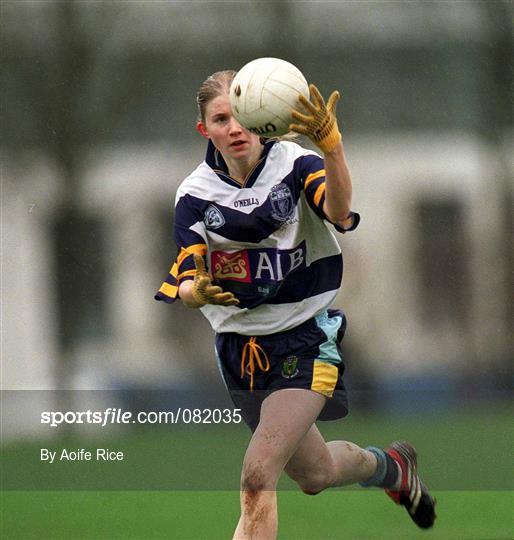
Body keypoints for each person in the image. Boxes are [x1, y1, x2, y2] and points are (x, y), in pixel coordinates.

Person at [155, 69, 436, 539]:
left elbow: (340, 213)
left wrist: (332, 149)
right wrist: (194, 292)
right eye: (221, 119)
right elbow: (186, 276)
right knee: (316, 475)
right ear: (205, 130)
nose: (235, 128)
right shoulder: (194, 195)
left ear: (263, 119)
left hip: (305, 340)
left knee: (257, 474)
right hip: (240, 352)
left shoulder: (296, 164)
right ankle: (393, 469)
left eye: (242, 116)